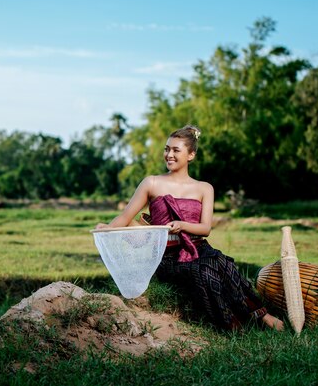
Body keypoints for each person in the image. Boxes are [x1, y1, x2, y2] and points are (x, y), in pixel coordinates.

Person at [96, 125, 284, 331]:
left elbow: (205, 229)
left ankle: (262, 316)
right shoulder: (151, 183)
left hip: (199, 248)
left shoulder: (204, 188)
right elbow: (125, 216)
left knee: (225, 266)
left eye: (176, 150)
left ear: (191, 155)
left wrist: (182, 225)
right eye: (167, 149)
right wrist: (106, 229)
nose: (169, 154)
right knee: (203, 271)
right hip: (167, 256)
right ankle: (234, 326)